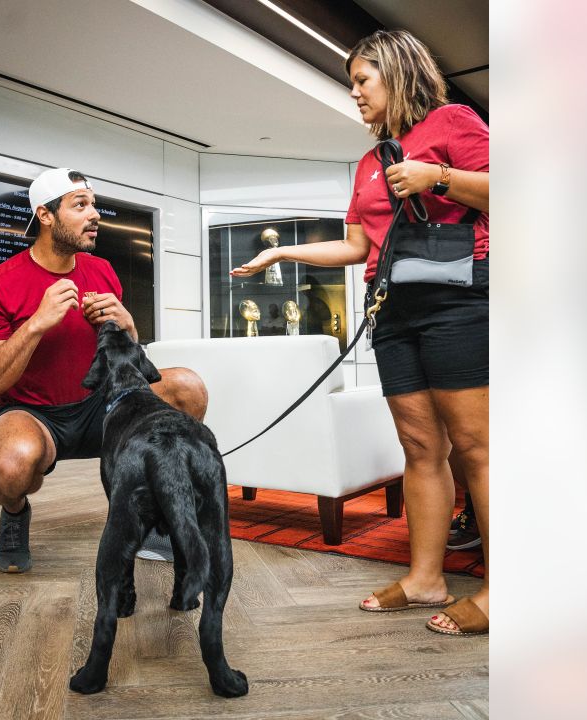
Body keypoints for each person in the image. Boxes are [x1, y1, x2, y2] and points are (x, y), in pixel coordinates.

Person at [231, 30, 490, 636]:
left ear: (397, 73)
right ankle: (426, 576)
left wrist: (438, 176)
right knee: (421, 449)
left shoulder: (453, 121)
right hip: (394, 310)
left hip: (458, 301)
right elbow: (356, 245)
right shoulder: (370, 162)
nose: (355, 94)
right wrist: (281, 257)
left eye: (362, 81)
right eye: (352, 83)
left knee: (477, 448)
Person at [0, 167, 207, 573]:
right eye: (81, 205)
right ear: (46, 215)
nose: (95, 214)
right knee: (10, 466)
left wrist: (128, 327)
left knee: (187, 388)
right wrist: (37, 323)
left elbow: (128, 361)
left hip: (105, 406)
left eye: (94, 204)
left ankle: (151, 512)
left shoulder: (102, 272)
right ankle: (14, 512)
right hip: (36, 414)